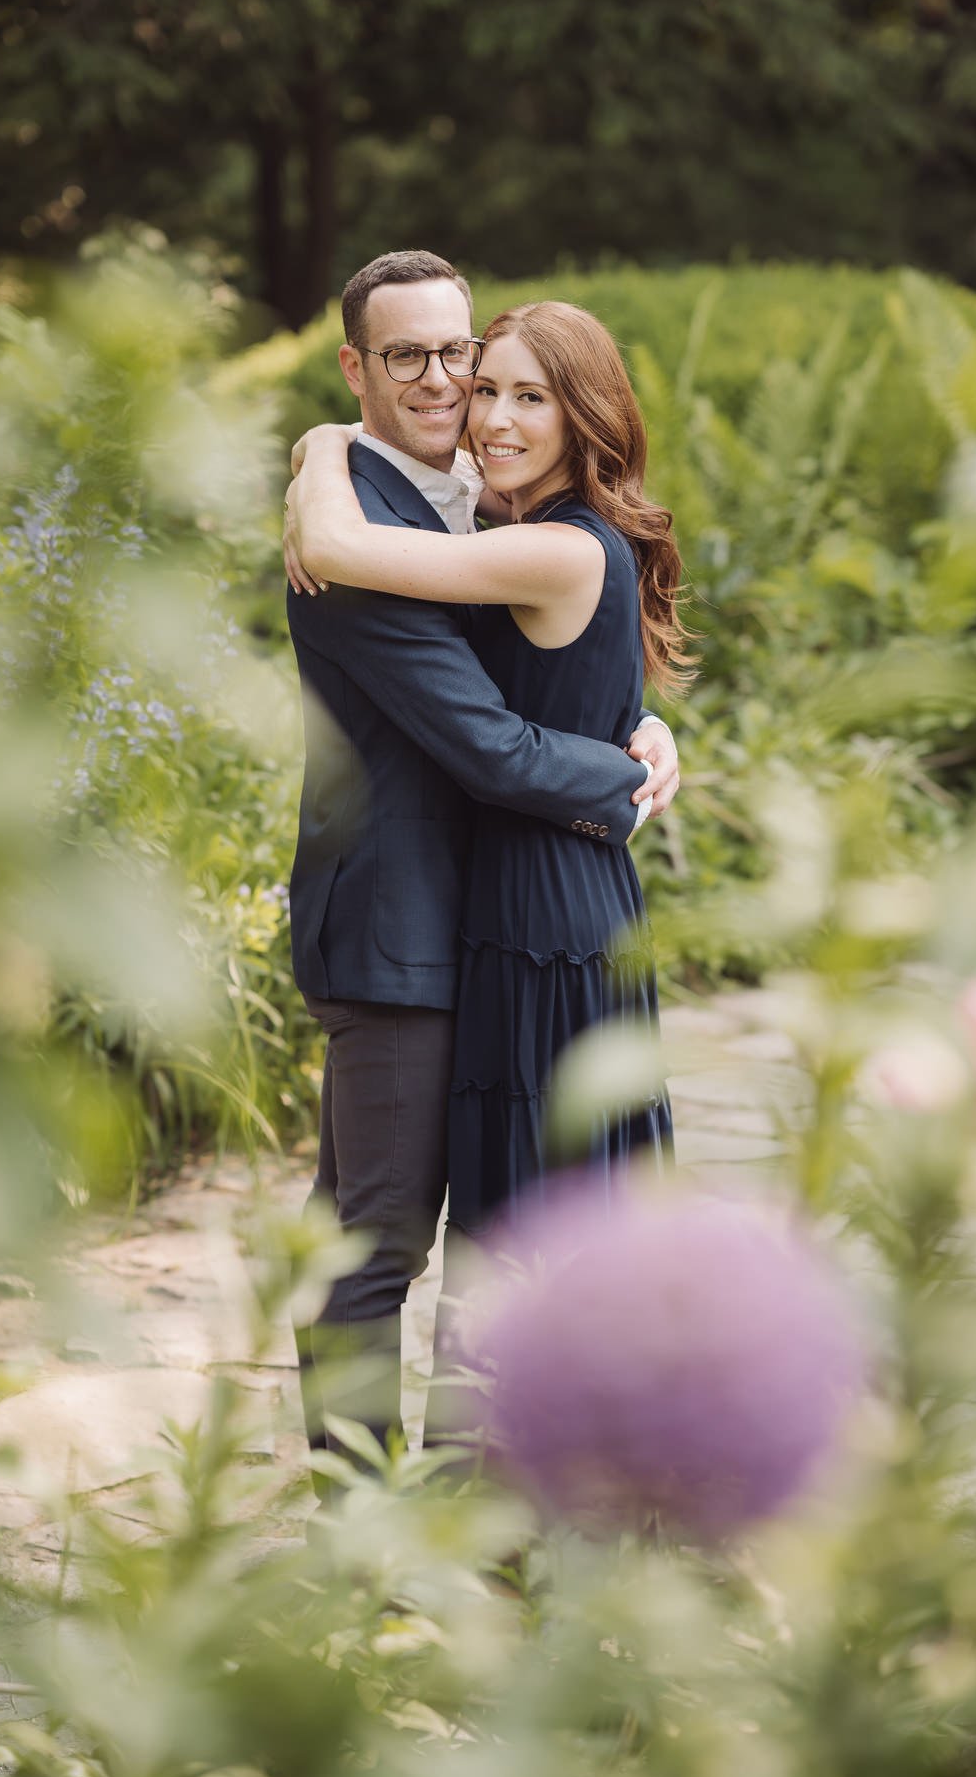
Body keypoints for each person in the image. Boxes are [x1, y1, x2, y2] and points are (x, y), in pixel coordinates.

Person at [281, 252, 680, 1474]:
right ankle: (357, 1529)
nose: (450, 384)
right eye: (408, 356)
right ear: (359, 369)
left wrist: (641, 722)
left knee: (493, 1233)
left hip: (502, 926)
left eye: (459, 353)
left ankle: (477, 1518)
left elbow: (562, 645)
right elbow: (493, 747)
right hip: (406, 936)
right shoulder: (349, 535)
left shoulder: (475, 504)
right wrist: (623, 780)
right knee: (378, 1246)